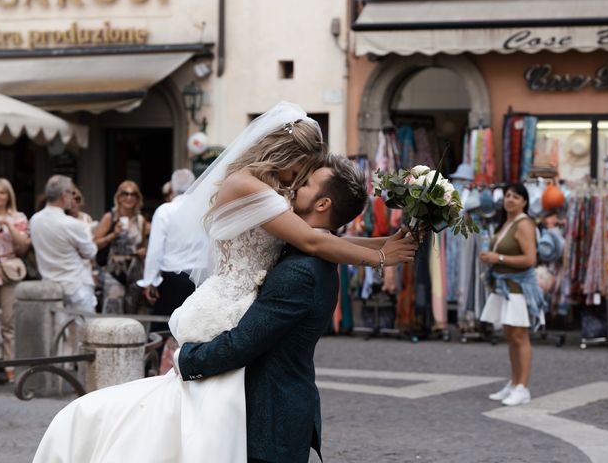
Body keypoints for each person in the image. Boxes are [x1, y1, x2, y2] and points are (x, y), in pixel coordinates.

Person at [33, 101, 416, 463]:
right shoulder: (248, 187)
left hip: (252, 328)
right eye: (301, 167)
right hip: (231, 300)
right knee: (192, 412)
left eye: (307, 177)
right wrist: (381, 256)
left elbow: (322, 237)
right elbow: (315, 238)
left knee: (200, 413)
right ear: (283, 153)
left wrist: (388, 244)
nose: (298, 180)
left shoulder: (296, 248)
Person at [176, 154, 367, 462]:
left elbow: (243, 343)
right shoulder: (312, 254)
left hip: (272, 420)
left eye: (305, 184)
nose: (293, 187)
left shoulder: (300, 270)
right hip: (280, 411)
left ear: (322, 204)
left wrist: (184, 360)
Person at [479, 182, 545, 406]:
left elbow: (530, 260)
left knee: (520, 336)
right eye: (508, 195)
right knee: (510, 335)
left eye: (516, 197)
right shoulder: (507, 222)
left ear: (524, 201)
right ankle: (515, 381)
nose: (510, 200)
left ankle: (522, 387)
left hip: (517, 287)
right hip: (504, 286)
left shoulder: (524, 224)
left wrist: (497, 258)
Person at [138, 169, 197, 331]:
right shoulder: (202, 210)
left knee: (162, 329)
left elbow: (155, 249)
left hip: (172, 279)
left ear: (171, 188)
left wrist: (149, 281)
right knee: (191, 329)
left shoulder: (165, 210)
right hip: (199, 279)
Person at [29, 175, 98, 313]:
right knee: (84, 330)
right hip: (76, 286)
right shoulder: (71, 224)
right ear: (63, 195)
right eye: (71, 193)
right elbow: (90, 252)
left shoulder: (35, 219)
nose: (73, 198)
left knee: (57, 331)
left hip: (50, 285)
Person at [93, 181, 150, 314]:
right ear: (118, 197)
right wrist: (113, 234)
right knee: (112, 310)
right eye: (125, 194)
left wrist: (143, 252)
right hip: (115, 270)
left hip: (135, 271)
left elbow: (142, 245)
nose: (129, 197)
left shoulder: (140, 220)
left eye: (133, 194)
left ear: (138, 198)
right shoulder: (110, 217)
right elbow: (95, 243)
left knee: (132, 312)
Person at [0, 178, 31, 383]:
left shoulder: (18, 217)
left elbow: (24, 245)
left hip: (9, 271)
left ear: (9, 195)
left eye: (2, 192)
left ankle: (10, 367)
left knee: (9, 321)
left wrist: (7, 223)